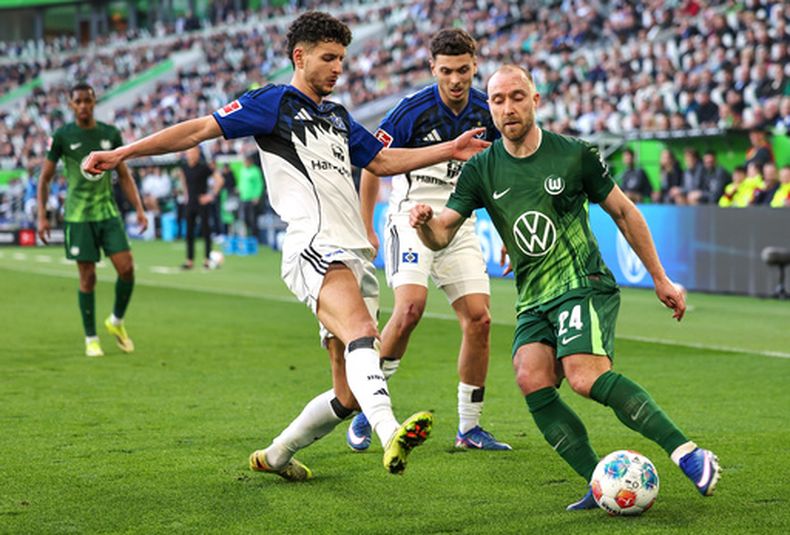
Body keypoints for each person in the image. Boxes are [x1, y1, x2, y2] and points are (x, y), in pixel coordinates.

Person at [83, 11, 489, 478]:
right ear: (300, 56)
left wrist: (449, 149)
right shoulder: (273, 103)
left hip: (353, 253)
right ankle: (389, 431)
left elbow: (381, 161)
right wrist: (123, 152)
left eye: (342, 58)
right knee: (362, 332)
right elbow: (198, 129)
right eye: (328, 58)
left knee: (347, 394)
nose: (338, 68)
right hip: (314, 244)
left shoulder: (337, 116)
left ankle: (275, 456)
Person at [409, 65, 720, 510]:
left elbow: (624, 212)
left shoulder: (574, 154)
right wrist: (424, 225)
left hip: (581, 283)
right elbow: (442, 233)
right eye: (498, 100)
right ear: (489, 107)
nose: (508, 108)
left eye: (517, 97)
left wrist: (659, 277)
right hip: (533, 297)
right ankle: (598, 484)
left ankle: (689, 454)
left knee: (583, 375)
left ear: (535, 100)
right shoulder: (481, 169)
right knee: (530, 377)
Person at [348, 28, 509, 453]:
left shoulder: (487, 110)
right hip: (409, 217)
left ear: (475, 66)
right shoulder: (410, 111)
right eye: (446, 71)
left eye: (463, 70)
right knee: (409, 309)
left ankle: (469, 428)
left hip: (459, 223)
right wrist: (367, 226)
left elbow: (501, 177)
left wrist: (508, 232)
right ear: (432, 68)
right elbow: (372, 163)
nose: (455, 79)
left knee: (480, 319)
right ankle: (368, 406)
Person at [36, 83, 148, 357]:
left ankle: (116, 321)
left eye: (88, 100)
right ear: (71, 105)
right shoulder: (62, 136)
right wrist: (42, 216)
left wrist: (139, 208)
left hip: (107, 213)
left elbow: (124, 175)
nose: (83, 105)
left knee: (127, 269)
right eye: (78, 101)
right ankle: (91, 338)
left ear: (94, 101)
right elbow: (45, 179)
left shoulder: (110, 134)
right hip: (78, 217)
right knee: (87, 277)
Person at [177, 146, 224, 269]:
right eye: (190, 152)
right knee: (189, 232)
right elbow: (183, 181)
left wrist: (211, 196)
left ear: (198, 154)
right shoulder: (184, 167)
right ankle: (189, 260)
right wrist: (186, 195)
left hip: (202, 202)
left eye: (194, 152)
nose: (192, 155)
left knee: (206, 231)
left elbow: (219, 180)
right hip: (190, 202)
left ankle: (207, 259)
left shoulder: (204, 167)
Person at [237, 153, 264, 240]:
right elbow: (241, 182)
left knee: (252, 219)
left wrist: (257, 196)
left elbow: (259, 184)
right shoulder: (242, 170)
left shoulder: (255, 171)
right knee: (244, 219)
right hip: (243, 198)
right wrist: (239, 189)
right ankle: (246, 237)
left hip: (252, 199)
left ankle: (254, 238)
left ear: (250, 161)